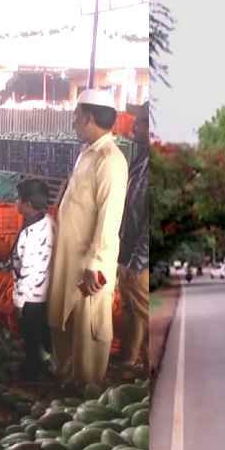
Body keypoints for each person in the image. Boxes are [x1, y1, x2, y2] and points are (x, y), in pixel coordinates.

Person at [47, 89, 129, 387]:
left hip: (90, 259)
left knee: (88, 325)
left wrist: (96, 262)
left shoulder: (110, 160)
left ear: (89, 117)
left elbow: (109, 217)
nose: (73, 121)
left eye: (76, 115)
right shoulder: (88, 152)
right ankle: (66, 377)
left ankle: (87, 386)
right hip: (70, 254)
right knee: (64, 317)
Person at [115, 101, 150, 379]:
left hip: (139, 259)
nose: (133, 126)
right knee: (134, 311)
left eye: (139, 122)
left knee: (143, 312)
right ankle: (129, 360)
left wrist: (137, 263)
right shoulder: (141, 158)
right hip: (129, 254)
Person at [11, 178, 54, 382]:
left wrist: (19, 301)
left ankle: (32, 370)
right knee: (42, 330)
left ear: (28, 204)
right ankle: (45, 361)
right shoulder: (48, 222)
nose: (15, 203)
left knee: (30, 333)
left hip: (31, 295)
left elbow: (28, 270)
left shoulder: (32, 234)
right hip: (45, 291)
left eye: (17, 200)